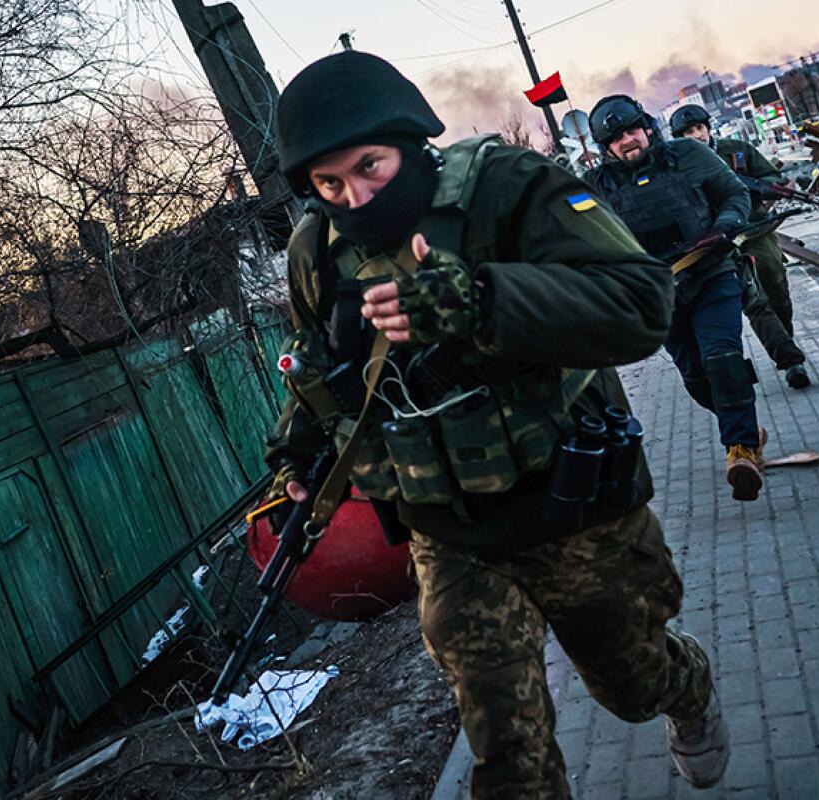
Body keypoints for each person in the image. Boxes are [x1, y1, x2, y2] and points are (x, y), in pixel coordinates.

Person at [263, 51, 728, 799]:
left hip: (571, 502)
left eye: (371, 167)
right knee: (507, 750)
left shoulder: (506, 190)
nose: (355, 197)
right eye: (329, 184)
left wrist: (483, 302)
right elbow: (317, 359)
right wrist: (299, 446)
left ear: (409, 141)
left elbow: (642, 304)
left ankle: (689, 684)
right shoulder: (317, 252)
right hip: (447, 530)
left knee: (631, 685)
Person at [585, 94, 766, 501]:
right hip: (658, 293)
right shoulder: (596, 187)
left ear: (646, 128)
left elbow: (736, 195)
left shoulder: (687, 155)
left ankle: (741, 451)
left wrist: (723, 227)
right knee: (697, 378)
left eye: (632, 130)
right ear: (606, 147)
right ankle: (746, 427)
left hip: (711, 272)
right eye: (617, 138)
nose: (628, 141)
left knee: (722, 357)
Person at [669, 103, 810, 389]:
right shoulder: (678, 166)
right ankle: (790, 361)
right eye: (687, 132)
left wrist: (758, 188)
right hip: (717, 245)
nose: (696, 135)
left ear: (708, 128)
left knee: (776, 290)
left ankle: (787, 340)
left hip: (755, 232)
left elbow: (773, 178)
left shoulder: (737, 151)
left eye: (699, 128)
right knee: (754, 301)